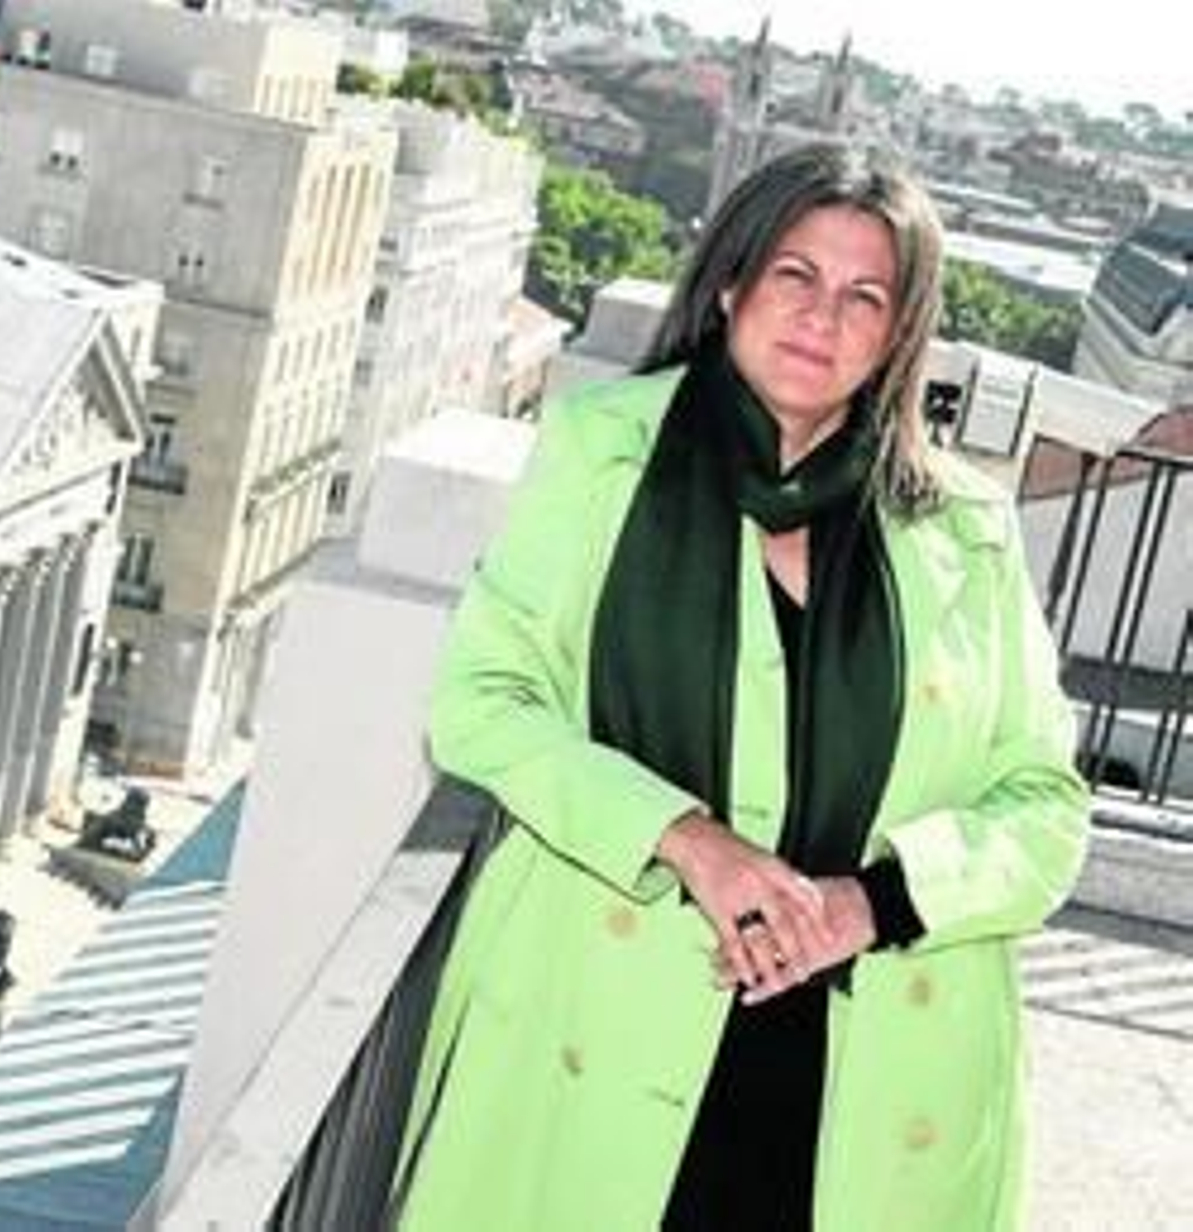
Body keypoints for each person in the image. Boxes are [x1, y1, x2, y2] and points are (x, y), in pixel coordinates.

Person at [392, 142, 1090, 1231]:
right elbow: (483, 703)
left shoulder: (964, 528)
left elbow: (1045, 807)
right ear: (731, 284)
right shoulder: (601, 451)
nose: (821, 316)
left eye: (864, 297)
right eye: (794, 274)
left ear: (899, 335)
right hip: (601, 1026)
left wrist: (869, 904)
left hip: (867, 1080)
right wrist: (688, 839)